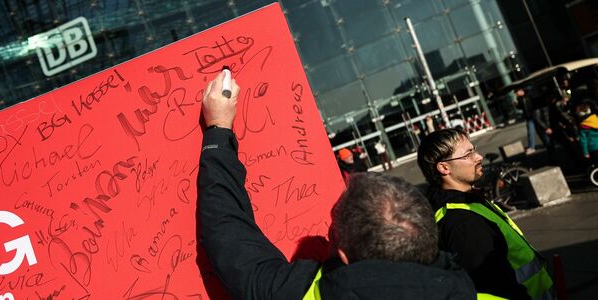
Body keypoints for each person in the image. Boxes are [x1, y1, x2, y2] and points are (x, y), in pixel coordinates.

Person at [198, 71, 475, 299]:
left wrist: (218, 131)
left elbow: (229, 236)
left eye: (333, 234)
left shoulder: (307, 293)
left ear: (343, 256)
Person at [417, 128, 554, 299]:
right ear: (444, 168)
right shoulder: (462, 223)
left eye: (473, 150)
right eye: (468, 155)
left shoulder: (468, 201)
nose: (479, 157)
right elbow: (492, 286)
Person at [575, 99, 598, 165]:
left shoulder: (583, 126)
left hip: (593, 148)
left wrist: (585, 152)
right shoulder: (596, 119)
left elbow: (583, 140)